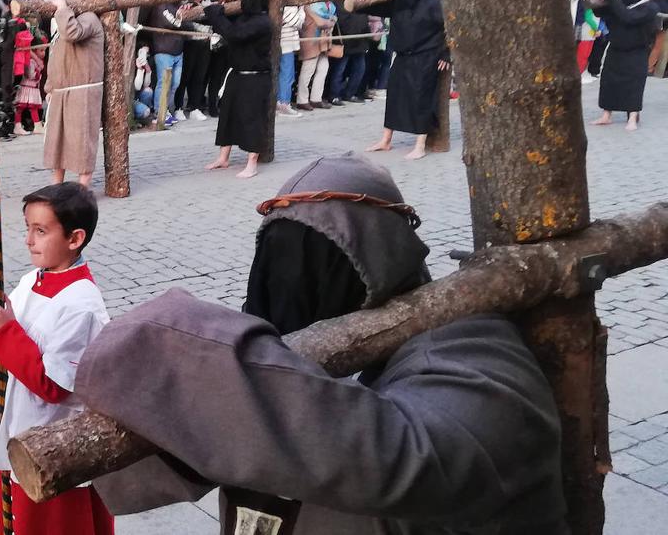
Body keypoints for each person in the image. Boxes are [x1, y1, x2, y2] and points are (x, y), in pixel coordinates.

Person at [76, 155, 565, 534]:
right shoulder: (292, 331)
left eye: (316, 259)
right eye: (278, 255)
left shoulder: (474, 346)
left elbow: (402, 456)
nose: (290, 280)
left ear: (375, 256)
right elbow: (238, 424)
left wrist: (174, 344)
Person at [0, 182, 113, 535]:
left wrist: (6, 332)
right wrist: (1, 333)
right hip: (19, 424)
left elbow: (53, 385)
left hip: (54, 440)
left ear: (74, 238)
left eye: (41, 230)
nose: (28, 240)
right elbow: (9, 339)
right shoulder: (32, 279)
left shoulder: (82, 306)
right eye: (27, 229)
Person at [364, 0, 451, 160]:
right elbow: (367, 6)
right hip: (403, 56)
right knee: (394, 96)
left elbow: (451, 27)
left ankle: (420, 145)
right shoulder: (399, 2)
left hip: (427, 57)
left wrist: (446, 53)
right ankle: (386, 140)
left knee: (422, 99)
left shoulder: (433, 3)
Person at [203, 0, 273, 179]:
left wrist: (216, 15)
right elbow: (228, 26)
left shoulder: (262, 22)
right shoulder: (244, 18)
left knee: (252, 119)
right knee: (228, 115)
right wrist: (213, 13)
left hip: (255, 78)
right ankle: (223, 158)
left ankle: (252, 163)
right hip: (236, 74)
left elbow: (235, 34)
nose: (241, 0)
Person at [43, 0, 104, 187]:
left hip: (83, 91)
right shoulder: (65, 19)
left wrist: (62, 8)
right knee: (58, 140)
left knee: (82, 140)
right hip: (62, 90)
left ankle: (82, 187)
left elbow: (72, 33)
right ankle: (57, 185)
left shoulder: (89, 19)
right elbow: (55, 56)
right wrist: (50, 86)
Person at [589, 0, 659, 131]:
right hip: (616, 49)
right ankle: (606, 115)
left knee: (634, 85)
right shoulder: (620, 4)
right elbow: (600, 11)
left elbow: (629, 17)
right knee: (608, 82)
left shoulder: (649, 7)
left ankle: (632, 117)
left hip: (637, 52)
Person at [139, 0, 189, 126]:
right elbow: (173, 22)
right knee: (162, 82)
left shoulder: (180, 5)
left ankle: (166, 109)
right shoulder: (161, 5)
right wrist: (181, 16)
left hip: (178, 50)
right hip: (163, 50)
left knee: (175, 83)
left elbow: (185, 23)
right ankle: (159, 112)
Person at [329, 0, 372, 105]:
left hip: (360, 39)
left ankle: (351, 93)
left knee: (360, 68)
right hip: (347, 38)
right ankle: (334, 95)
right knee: (340, 69)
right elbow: (342, 18)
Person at [297, 0, 337, 111]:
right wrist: (329, 21)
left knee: (323, 67)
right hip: (311, 36)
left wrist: (330, 21)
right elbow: (319, 20)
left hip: (324, 38)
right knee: (309, 68)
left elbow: (332, 16)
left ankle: (316, 98)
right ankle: (301, 99)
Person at [277, 0, 305, 116]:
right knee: (286, 74)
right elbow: (297, 22)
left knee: (287, 73)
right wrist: (301, 10)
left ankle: (281, 101)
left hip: (291, 41)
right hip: (285, 41)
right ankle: (283, 102)